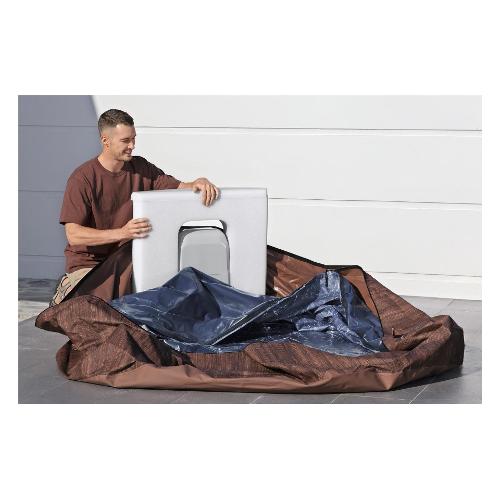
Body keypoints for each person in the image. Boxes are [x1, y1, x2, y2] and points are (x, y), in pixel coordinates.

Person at [50, 108, 219, 306]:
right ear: (105, 141)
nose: (132, 145)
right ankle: (68, 289)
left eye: (133, 139)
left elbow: (179, 186)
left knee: (158, 303)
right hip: (90, 265)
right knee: (97, 313)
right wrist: (123, 233)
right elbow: (74, 235)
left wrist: (198, 182)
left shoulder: (142, 168)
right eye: (125, 141)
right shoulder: (82, 179)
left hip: (129, 261)